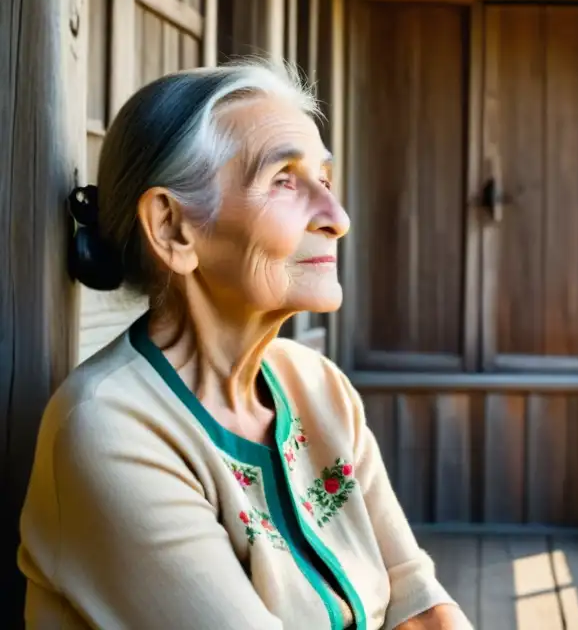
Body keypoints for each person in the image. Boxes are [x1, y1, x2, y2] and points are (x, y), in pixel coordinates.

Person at [18, 62, 472, 630]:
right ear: (172, 228)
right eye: (284, 179)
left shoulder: (317, 386)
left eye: (324, 181)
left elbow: (417, 600)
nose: (337, 217)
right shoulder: (109, 429)